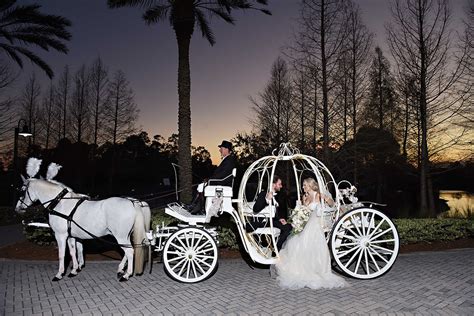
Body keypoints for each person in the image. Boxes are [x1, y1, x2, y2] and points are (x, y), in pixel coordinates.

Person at [275, 177, 348, 290]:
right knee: (295, 242)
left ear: (310, 185)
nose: (303, 187)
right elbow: (303, 211)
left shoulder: (318, 194)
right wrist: (296, 218)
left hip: (315, 224)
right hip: (305, 223)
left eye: (305, 185)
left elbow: (332, 204)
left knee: (303, 241)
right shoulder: (305, 196)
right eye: (303, 185)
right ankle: (299, 268)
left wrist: (327, 198)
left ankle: (315, 269)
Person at [188, 140, 236, 214]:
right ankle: (195, 207)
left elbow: (222, 174)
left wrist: (209, 179)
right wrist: (209, 179)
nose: (220, 150)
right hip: (220, 181)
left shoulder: (229, 160)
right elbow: (220, 174)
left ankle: (196, 208)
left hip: (222, 183)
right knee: (200, 186)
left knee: (201, 186)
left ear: (226, 149)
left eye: (221, 148)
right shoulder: (227, 159)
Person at [247, 175, 293, 251]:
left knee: (289, 227)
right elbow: (256, 209)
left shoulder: (277, 196)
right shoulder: (263, 194)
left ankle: (277, 247)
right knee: (288, 228)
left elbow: (273, 213)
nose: (281, 186)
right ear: (273, 184)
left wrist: (280, 219)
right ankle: (277, 249)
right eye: (279, 184)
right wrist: (267, 199)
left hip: (272, 221)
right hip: (263, 222)